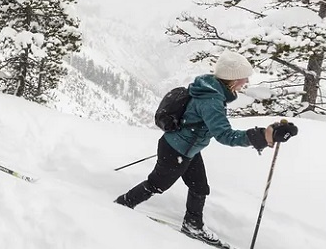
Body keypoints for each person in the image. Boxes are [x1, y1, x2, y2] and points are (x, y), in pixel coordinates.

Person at [113, 50, 298, 247]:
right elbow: (225, 136)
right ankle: (123, 204)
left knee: (199, 187)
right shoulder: (211, 100)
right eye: (243, 78)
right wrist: (264, 136)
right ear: (232, 79)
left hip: (186, 150)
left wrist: (268, 133)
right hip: (176, 152)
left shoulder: (211, 88)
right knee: (156, 185)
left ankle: (193, 224)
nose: (246, 82)